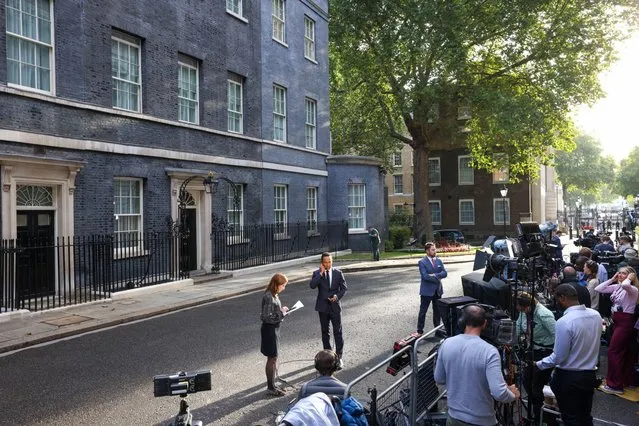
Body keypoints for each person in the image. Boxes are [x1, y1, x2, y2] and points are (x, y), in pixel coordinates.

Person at [434, 304, 520, 425]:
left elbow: (439, 378)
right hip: (482, 421)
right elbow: (499, 393)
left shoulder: (446, 344)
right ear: (485, 323)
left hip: (453, 419)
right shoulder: (489, 351)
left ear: (462, 321)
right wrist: (512, 394)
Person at [536, 284, 602, 426]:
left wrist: (538, 365)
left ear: (563, 298)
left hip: (569, 378)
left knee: (571, 418)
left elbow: (559, 356)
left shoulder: (564, 322)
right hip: (589, 375)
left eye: (556, 299)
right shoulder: (596, 315)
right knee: (585, 416)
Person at [594, 266, 639, 394]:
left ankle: (615, 385)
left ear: (631, 276)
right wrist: (612, 278)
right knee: (624, 352)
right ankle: (626, 380)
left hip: (625, 321)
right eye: (619, 273)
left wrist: (629, 279)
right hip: (616, 320)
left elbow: (626, 285)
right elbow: (599, 289)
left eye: (623, 273)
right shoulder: (618, 287)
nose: (620, 275)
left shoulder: (632, 289)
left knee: (614, 351)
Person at [515, 292, 556, 421]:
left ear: (527, 306)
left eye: (522, 309)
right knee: (527, 381)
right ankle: (538, 409)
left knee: (536, 385)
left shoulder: (544, 315)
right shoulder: (524, 312)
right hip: (532, 350)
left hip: (545, 352)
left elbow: (557, 335)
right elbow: (518, 327)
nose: (521, 311)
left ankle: (541, 415)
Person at [310, 252, 348, 369]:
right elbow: (312, 285)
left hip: (335, 307)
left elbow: (344, 288)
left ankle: (339, 358)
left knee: (338, 332)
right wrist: (321, 273)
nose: (328, 264)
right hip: (323, 307)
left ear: (332, 261)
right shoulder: (317, 273)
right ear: (322, 263)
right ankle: (328, 358)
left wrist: (337, 296)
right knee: (325, 332)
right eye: (325, 262)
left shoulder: (338, 273)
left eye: (330, 262)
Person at [261, 273, 289, 396]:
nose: (284, 287)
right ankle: (271, 388)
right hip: (269, 330)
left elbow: (272, 313)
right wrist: (282, 313)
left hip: (273, 329)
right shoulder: (269, 296)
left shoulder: (273, 295)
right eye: (283, 285)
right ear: (276, 284)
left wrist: (282, 311)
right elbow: (267, 318)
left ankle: (272, 385)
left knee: (273, 357)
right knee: (272, 358)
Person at [417, 242, 448, 337]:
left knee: (437, 311)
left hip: (437, 290)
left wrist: (434, 275)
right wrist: (438, 276)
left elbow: (445, 273)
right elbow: (425, 276)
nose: (435, 251)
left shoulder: (439, 261)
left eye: (435, 249)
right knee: (423, 311)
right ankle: (419, 331)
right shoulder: (422, 262)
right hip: (426, 291)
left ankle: (437, 330)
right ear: (427, 251)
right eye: (433, 249)